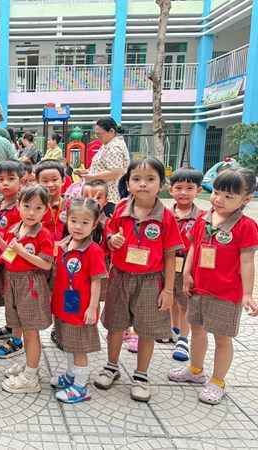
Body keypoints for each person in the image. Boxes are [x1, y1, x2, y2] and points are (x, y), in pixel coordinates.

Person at [94, 157, 183, 402]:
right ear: (128, 184)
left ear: (161, 185)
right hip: (120, 277)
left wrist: (168, 290)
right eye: (136, 179)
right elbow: (109, 233)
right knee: (115, 325)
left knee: (147, 330)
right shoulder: (121, 209)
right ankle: (111, 366)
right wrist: (112, 239)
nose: (143, 184)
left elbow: (170, 256)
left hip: (151, 281)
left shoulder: (166, 217)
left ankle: (141, 375)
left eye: (150, 179)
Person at [169, 168, 258, 405]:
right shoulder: (203, 219)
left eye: (228, 196)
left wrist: (248, 293)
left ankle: (218, 382)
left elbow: (247, 262)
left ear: (246, 199)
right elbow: (194, 247)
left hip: (226, 294)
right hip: (198, 288)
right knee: (197, 330)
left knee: (222, 338)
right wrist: (187, 273)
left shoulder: (246, 226)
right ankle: (195, 370)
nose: (219, 199)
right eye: (216, 192)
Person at [0, 185, 54, 393]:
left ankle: (30, 377)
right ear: (18, 205)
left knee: (31, 332)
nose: (31, 212)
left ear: (46, 210)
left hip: (30, 285)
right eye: (27, 206)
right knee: (23, 328)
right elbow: (9, 253)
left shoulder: (43, 234)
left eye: (38, 208)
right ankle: (30, 366)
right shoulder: (15, 228)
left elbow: (46, 264)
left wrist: (22, 251)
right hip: (13, 282)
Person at [51, 198, 108, 403]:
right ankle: (71, 376)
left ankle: (81, 387)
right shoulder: (64, 244)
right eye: (74, 221)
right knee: (68, 342)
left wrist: (92, 308)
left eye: (85, 222)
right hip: (65, 304)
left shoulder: (94, 251)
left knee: (79, 347)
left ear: (94, 225)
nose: (78, 226)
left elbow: (96, 281)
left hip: (81, 307)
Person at [163, 167, 204, 362]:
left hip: (189, 265)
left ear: (199, 191)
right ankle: (174, 329)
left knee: (185, 302)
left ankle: (183, 340)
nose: (183, 193)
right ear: (170, 190)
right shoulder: (165, 214)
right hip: (168, 262)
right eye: (178, 188)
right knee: (170, 297)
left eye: (190, 188)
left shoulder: (203, 217)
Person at [0, 161, 25, 357]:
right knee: (8, 298)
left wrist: (8, 259)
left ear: (21, 181)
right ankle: (11, 327)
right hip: (1, 259)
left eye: (11, 179)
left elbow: (18, 238)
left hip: (12, 261)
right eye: (1, 179)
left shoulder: (20, 207)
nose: (5, 183)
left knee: (15, 301)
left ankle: (17, 341)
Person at [75, 117, 129, 216]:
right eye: (97, 134)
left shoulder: (114, 147)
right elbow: (103, 166)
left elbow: (115, 172)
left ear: (111, 131)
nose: (98, 137)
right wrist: (87, 172)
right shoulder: (108, 143)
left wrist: (92, 176)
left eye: (100, 134)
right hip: (101, 192)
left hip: (109, 195)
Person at [36, 160, 66, 243]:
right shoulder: (34, 206)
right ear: (38, 183)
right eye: (45, 181)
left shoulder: (71, 206)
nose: (50, 185)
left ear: (63, 181)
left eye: (55, 180)